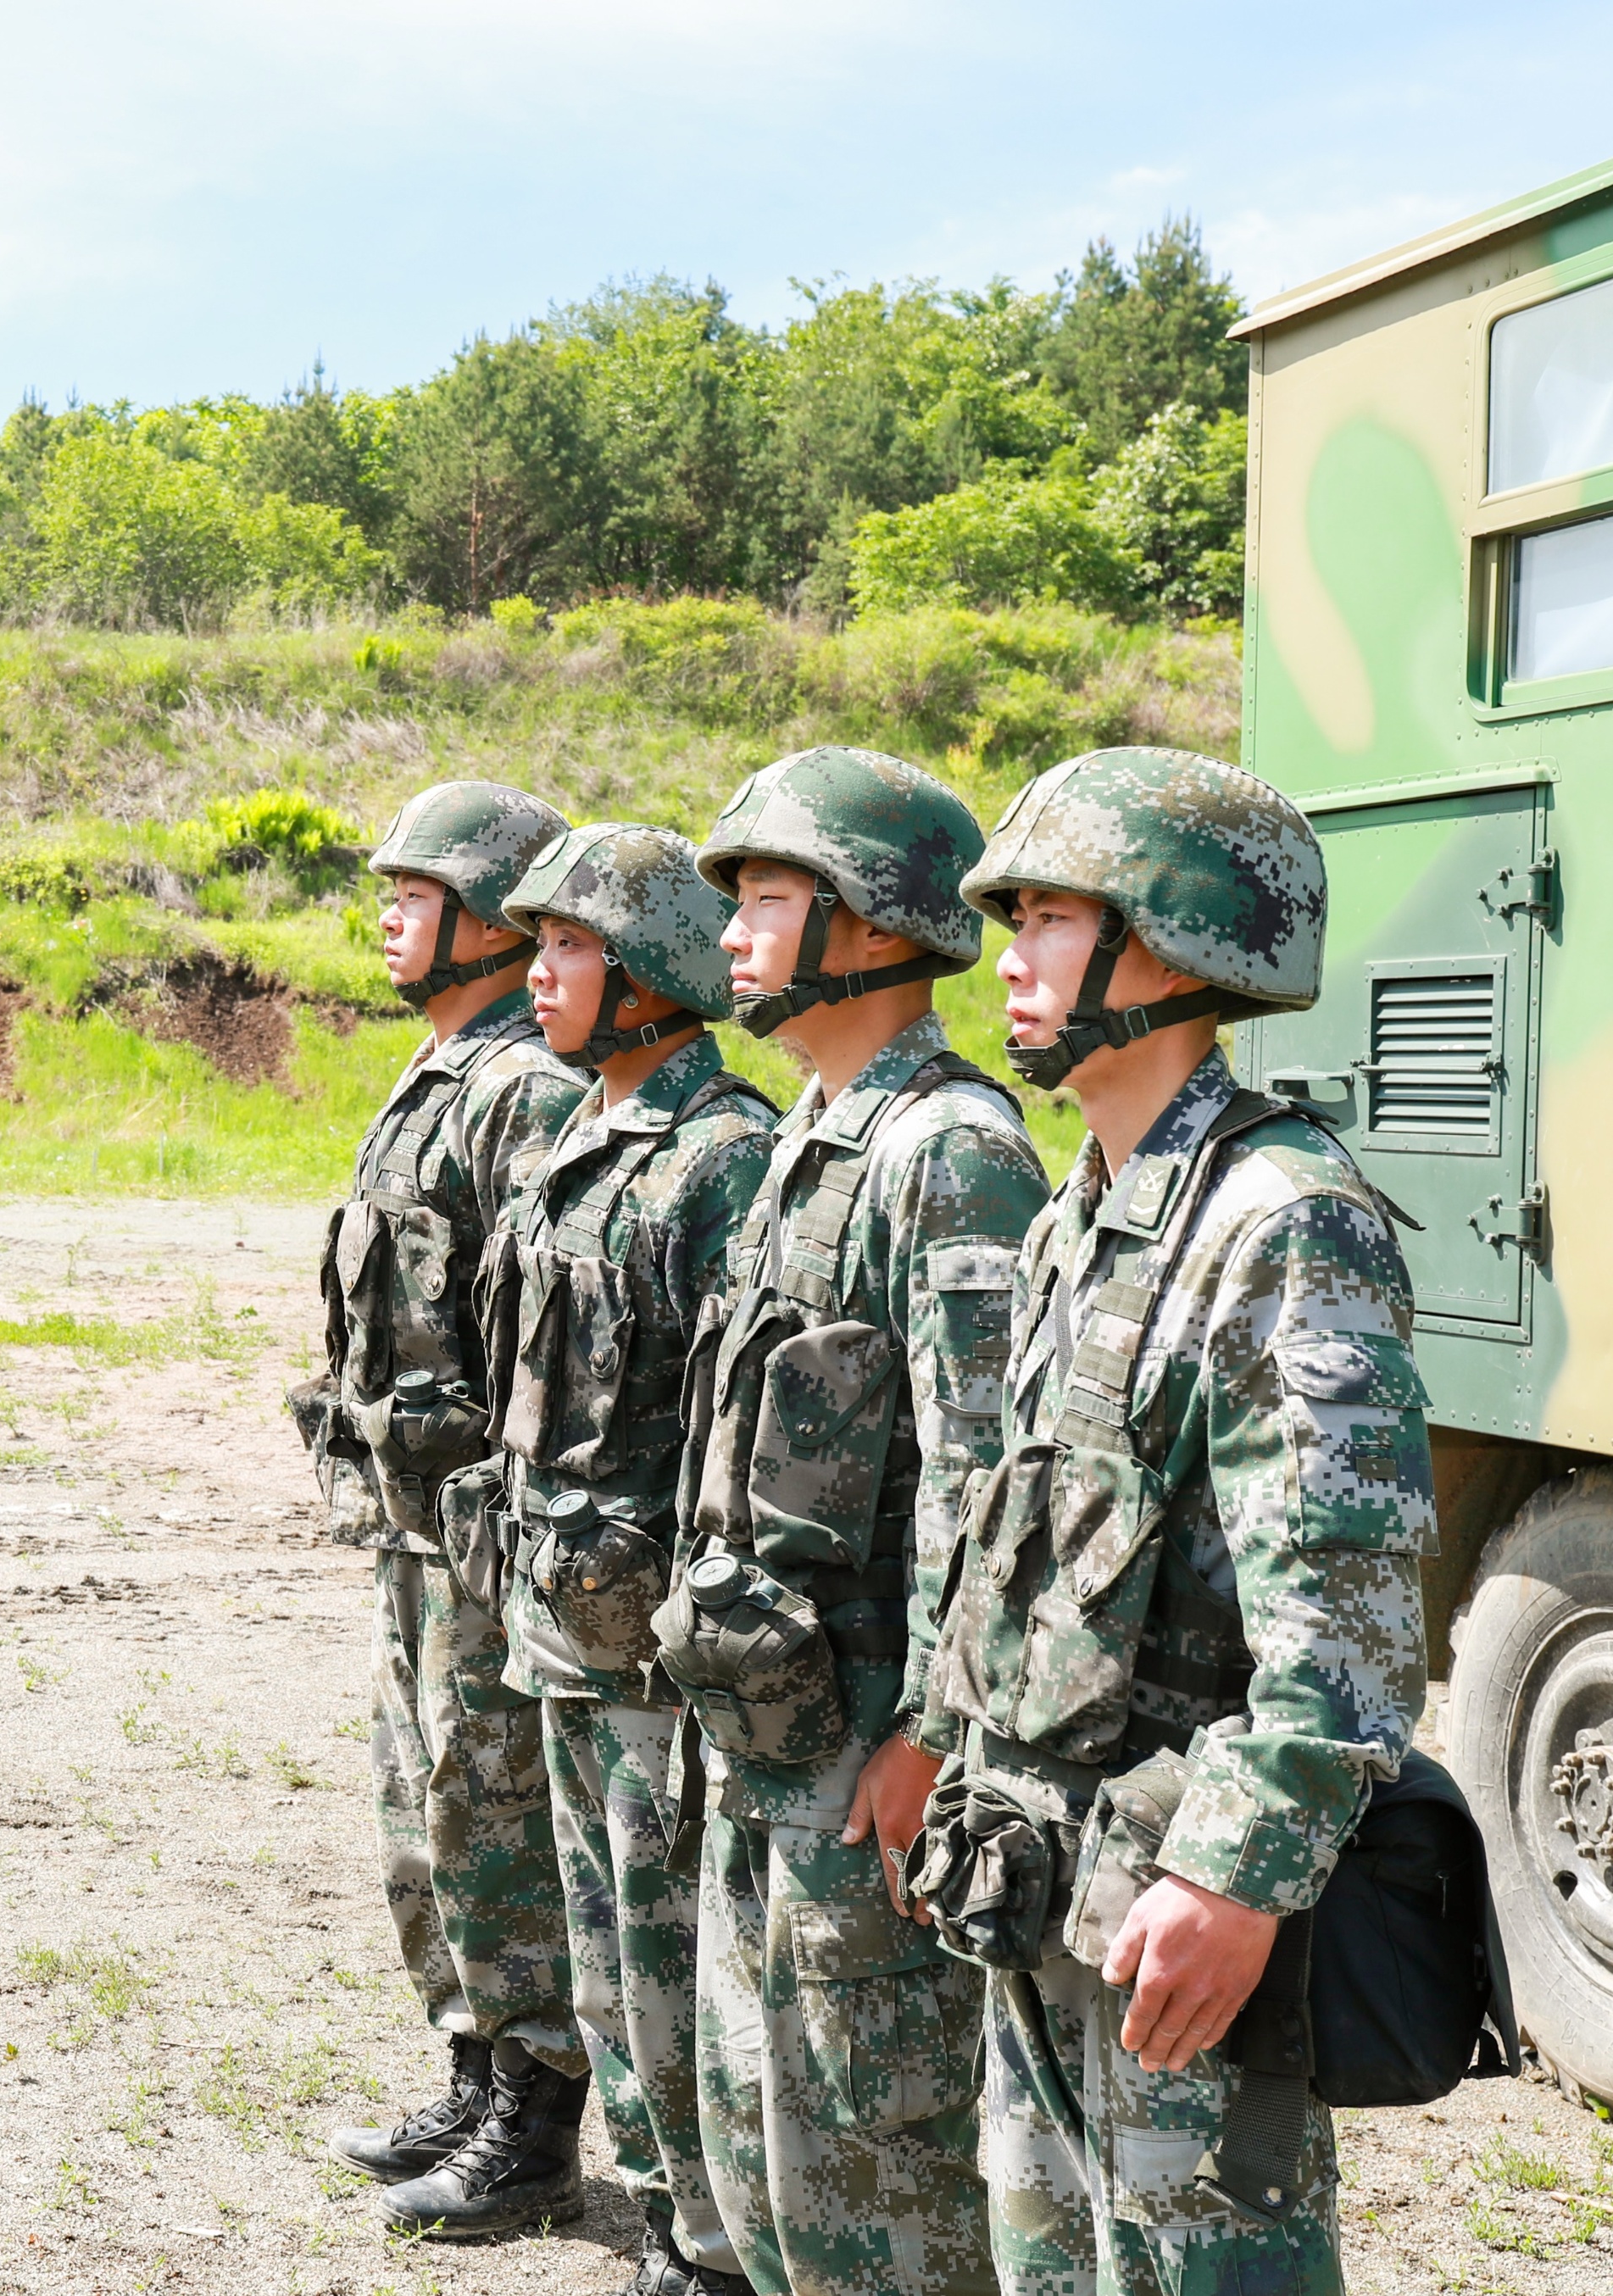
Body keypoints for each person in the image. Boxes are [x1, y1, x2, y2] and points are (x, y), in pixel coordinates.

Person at [909, 746, 1418, 2296]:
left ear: (1172, 940)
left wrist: (1239, 1879)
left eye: (1052, 917)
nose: (1010, 953)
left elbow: (1343, 1612)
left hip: (1167, 1909)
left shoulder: (1281, 1217)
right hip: (1042, 1879)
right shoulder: (1085, 1208)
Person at [663, 746, 1048, 2296]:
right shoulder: (813, 1135)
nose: (733, 935)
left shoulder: (947, 1153)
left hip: (865, 1754)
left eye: (765, 898)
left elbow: (985, 1480)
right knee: (766, 2152)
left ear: (874, 922)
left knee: (881, 2180)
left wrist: (934, 1738)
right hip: (770, 1734)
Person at [482, 824, 776, 2296]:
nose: (537, 974)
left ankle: (711, 2245)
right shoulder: (571, 1141)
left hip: (660, 1656)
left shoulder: (723, 1158)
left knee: (672, 1965)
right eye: (537, 947)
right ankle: (666, 2215)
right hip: (561, 1624)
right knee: (603, 1957)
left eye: (571, 949)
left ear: (650, 974)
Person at [299, 781, 594, 2237]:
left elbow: (549, 1330)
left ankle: (536, 2123)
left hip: (481, 1534)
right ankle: (478, 2073)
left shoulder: (523, 1088)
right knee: (429, 1815)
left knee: (499, 1818)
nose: (388, 911)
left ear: (488, 920)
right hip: (412, 1530)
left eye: (416, 891)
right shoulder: (440, 1074)